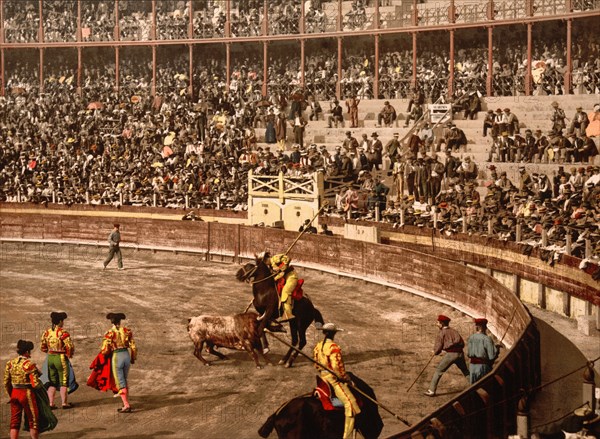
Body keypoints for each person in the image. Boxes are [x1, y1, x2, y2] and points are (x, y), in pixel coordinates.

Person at [313, 323, 360, 439]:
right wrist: (345, 378)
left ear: (324, 333)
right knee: (351, 403)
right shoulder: (333, 347)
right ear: (333, 334)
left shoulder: (318, 346)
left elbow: (316, 366)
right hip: (332, 381)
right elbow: (337, 368)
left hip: (322, 379)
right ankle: (347, 437)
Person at [4, 340, 56, 439]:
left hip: (15, 393)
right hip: (26, 394)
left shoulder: (10, 364)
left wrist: (11, 394)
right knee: (33, 420)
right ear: (27, 352)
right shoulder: (29, 365)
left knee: (15, 421)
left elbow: (6, 382)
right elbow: (35, 384)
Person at [99, 313, 137, 413]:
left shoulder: (109, 333)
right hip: (126, 355)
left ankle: (126, 405)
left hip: (117, 356)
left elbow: (105, 349)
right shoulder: (126, 331)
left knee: (120, 382)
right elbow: (133, 347)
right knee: (124, 379)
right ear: (120, 321)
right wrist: (132, 358)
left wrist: (105, 356)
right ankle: (125, 402)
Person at [424, 315, 469, 397]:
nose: (436, 324)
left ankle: (431, 390)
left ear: (442, 323)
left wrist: (435, 352)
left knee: (439, 371)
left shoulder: (441, 333)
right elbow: (462, 343)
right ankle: (475, 385)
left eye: (438, 322)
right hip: (460, 354)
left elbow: (438, 346)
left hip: (450, 355)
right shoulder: (454, 331)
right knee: (465, 371)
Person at [40, 312, 75, 409]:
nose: (63, 323)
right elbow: (70, 346)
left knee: (52, 381)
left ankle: (51, 403)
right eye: (62, 321)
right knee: (64, 381)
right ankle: (64, 403)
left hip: (50, 357)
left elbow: (42, 346)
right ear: (60, 321)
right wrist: (69, 354)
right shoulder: (63, 333)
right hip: (60, 358)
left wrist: (49, 351)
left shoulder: (47, 332)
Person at [267, 253, 298, 322]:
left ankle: (288, 313)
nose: (265, 263)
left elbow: (287, 258)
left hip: (291, 277)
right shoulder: (270, 266)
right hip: (284, 278)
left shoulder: (275, 258)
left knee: (285, 291)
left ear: (266, 258)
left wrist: (283, 266)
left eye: (264, 260)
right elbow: (280, 274)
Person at [467, 318, 498, 384]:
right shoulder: (487, 339)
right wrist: (497, 350)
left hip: (472, 366)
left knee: (473, 388)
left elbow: (469, 354)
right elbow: (491, 357)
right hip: (482, 367)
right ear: (484, 327)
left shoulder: (471, 338)